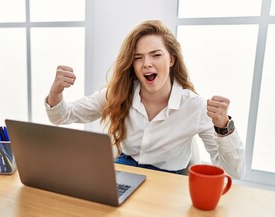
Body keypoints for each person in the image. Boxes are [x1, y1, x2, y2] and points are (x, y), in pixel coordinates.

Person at [44, 20, 245, 179]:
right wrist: (56, 92)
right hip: (124, 168)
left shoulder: (194, 107)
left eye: (155, 55)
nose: (146, 64)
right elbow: (62, 116)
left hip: (168, 180)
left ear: (171, 59)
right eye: (138, 57)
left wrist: (223, 127)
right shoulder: (119, 92)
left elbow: (234, 171)